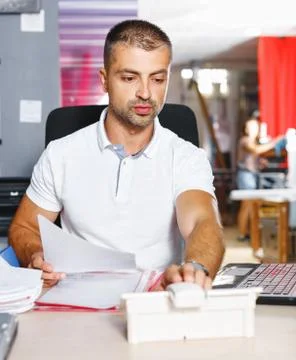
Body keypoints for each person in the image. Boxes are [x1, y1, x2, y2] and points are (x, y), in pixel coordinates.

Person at [8, 19, 224, 290]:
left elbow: (202, 223)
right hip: (76, 301)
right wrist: (36, 256)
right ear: (105, 80)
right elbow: (25, 228)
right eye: (129, 78)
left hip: (154, 302)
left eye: (157, 79)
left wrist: (196, 269)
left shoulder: (186, 157)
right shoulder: (61, 154)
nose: (146, 93)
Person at [236, 111, 284, 241]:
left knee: (251, 205)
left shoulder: (253, 142)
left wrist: (260, 162)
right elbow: (256, 150)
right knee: (246, 204)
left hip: (251, 174)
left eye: (256, 126)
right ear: (246, 128)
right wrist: (275, 142)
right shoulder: (245, 140)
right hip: (246, 175)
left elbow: (254, 155)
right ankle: (242, 233)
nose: (255, 129)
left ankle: (249, 233)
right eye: (252, 126)